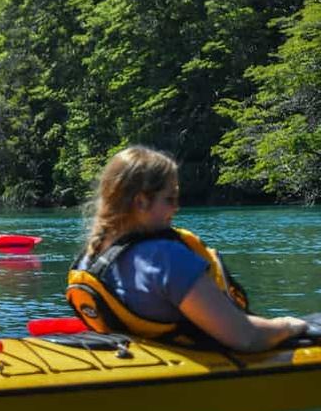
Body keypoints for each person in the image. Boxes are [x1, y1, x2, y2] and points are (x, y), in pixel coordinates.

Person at [66, 145, 307, 352]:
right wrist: (289, 324)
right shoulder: (167, 258)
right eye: (169, 199)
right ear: (141, 201)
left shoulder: (89, 258)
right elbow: (245, 337)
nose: (176, 208)